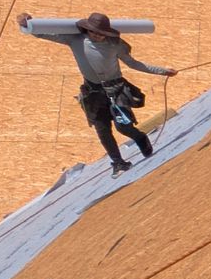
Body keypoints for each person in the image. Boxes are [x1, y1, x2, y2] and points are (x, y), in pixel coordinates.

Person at [19, 11, 177, 174]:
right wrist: (27, 24)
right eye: (94, 32)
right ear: (87, 29)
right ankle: (118, 162)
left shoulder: (115, 44)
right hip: (92, 92)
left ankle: (139, 137)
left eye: (101, 33)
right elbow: (45, 33)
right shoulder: (75, 40)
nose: (98, 36)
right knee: (102, 129)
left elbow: (133, 63)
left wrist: (162, 71)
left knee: (123, 126)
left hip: (116, 90)